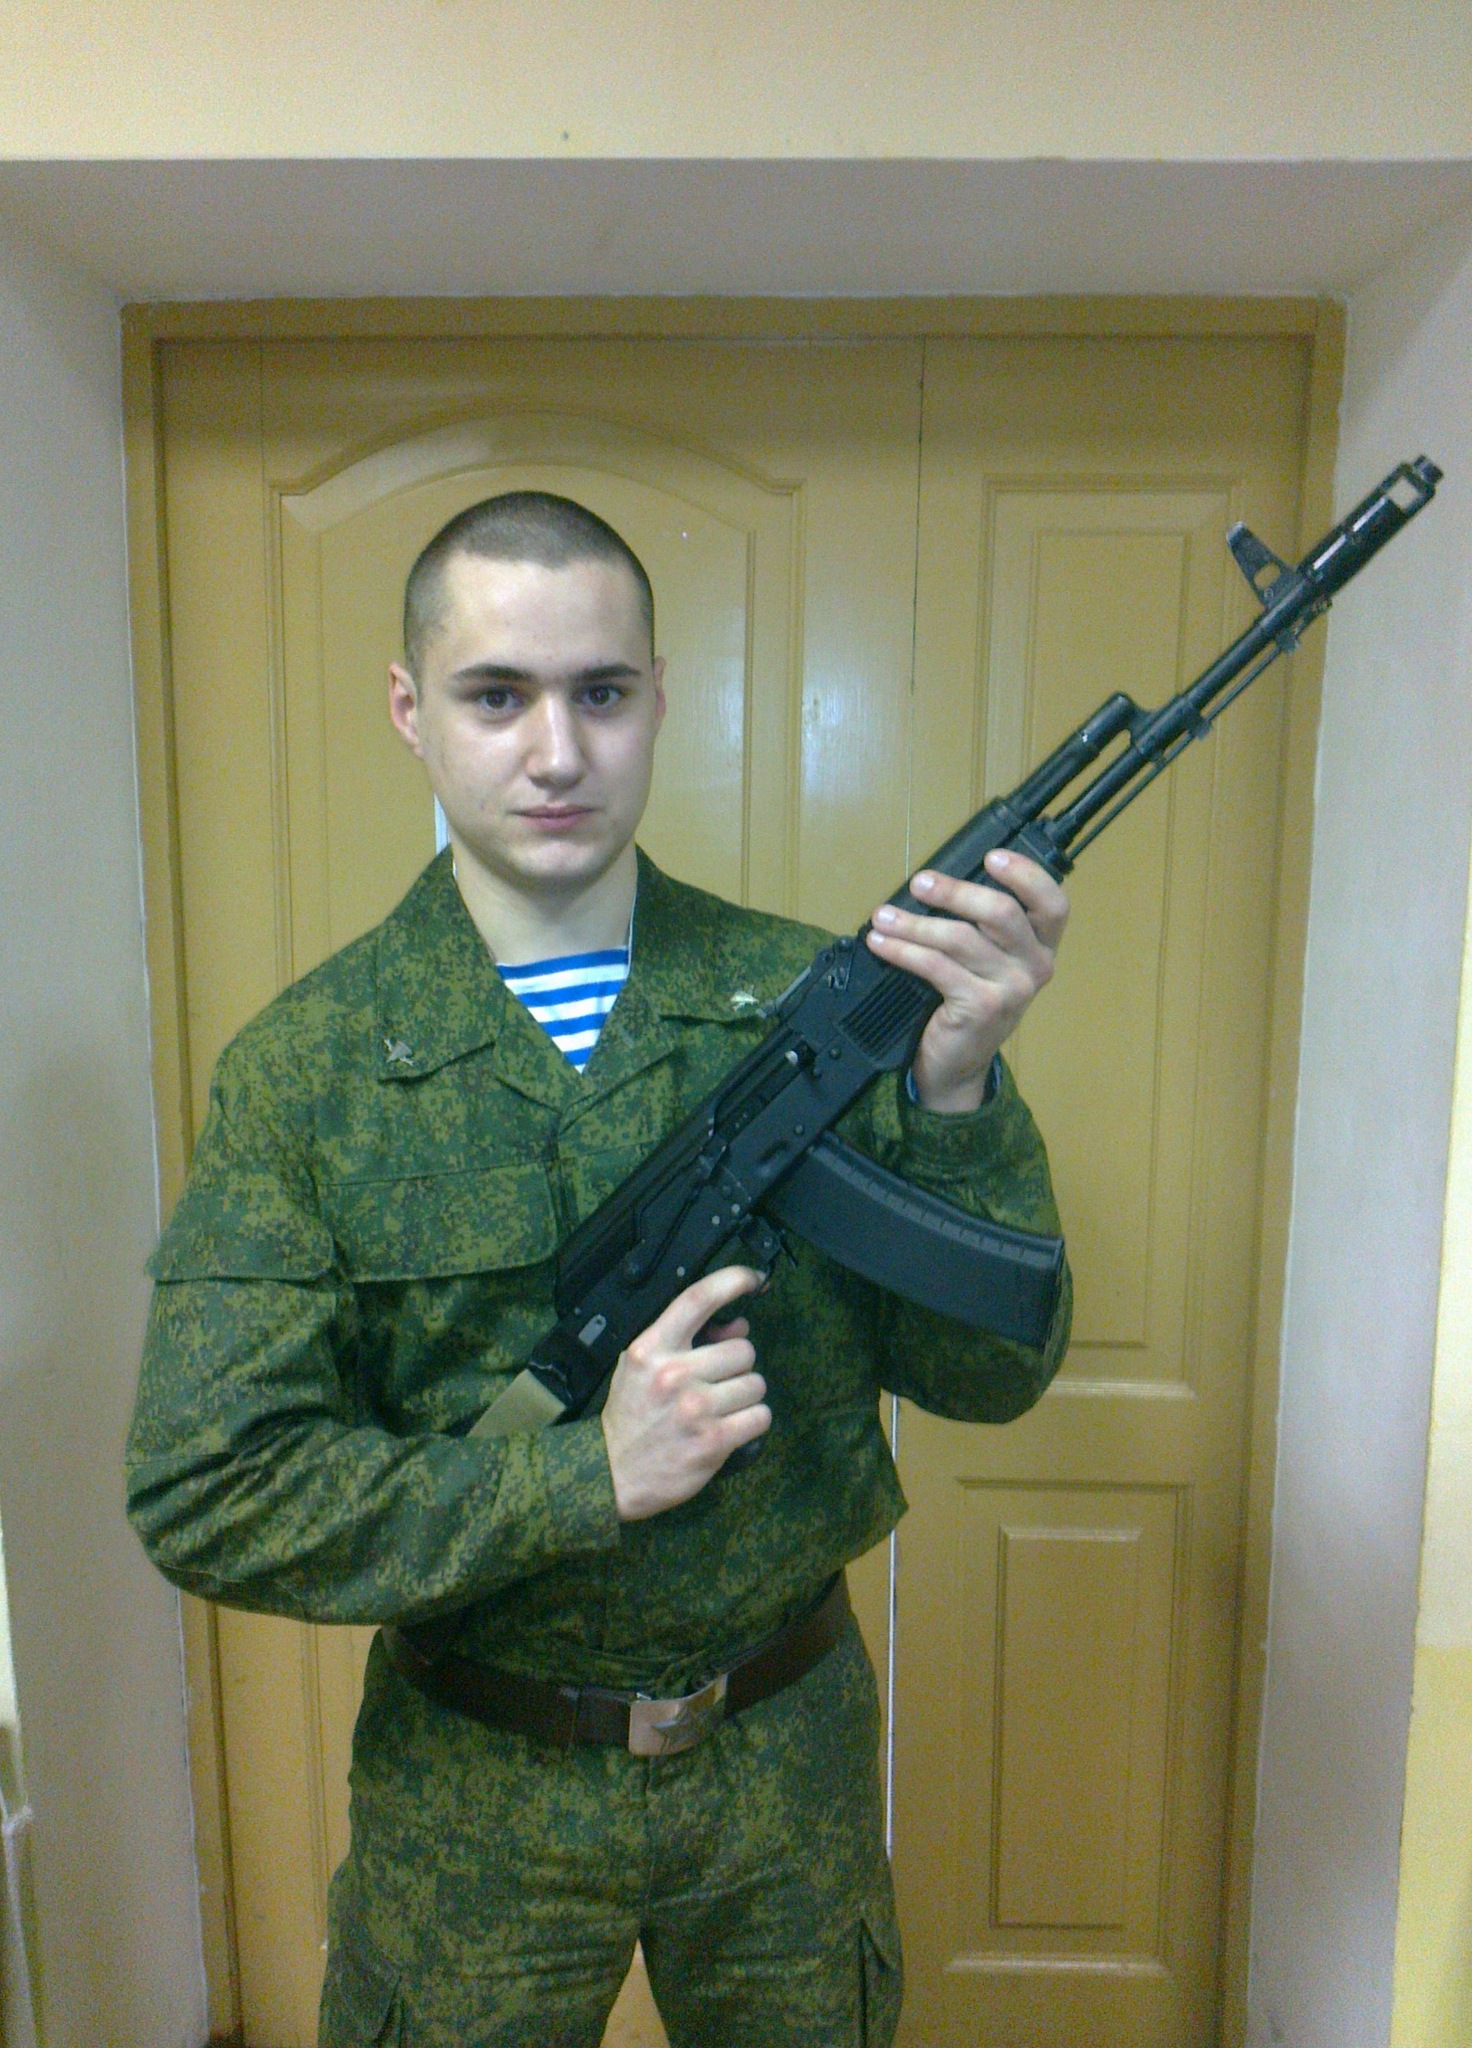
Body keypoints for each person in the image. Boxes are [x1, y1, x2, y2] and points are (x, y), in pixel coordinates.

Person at [127, 492, 1072, 2048]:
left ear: (658, 701)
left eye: (602, 693)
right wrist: (585, 1478)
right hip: (476, 1795)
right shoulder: (307, 1073)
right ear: (410, 708)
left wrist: (957, 1088)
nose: (557, 752)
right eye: (497, 696)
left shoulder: (808, 1005)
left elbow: (989, 1377)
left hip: (785, 1765)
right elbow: (208, 1490)